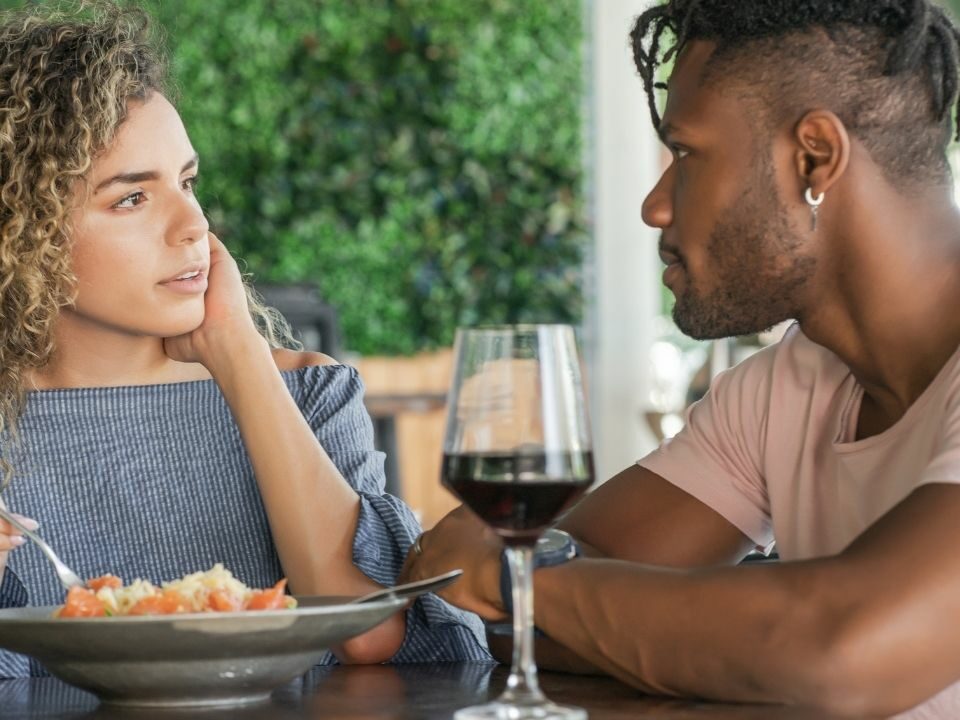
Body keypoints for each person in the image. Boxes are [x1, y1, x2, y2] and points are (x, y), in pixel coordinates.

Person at [402, 0, 960, 717]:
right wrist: (542, 589)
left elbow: (843, 649)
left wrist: (525, 580)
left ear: (814, 157)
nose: (655, 206)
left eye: (687, 154)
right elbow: (502, 621)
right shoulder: (784, 388)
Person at [0, 1, 488, 677]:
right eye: (132, 199)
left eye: (188, 182)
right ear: (22, 233)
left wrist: (240, 358)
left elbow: (369, 636)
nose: (193, 224)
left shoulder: (306, 391)